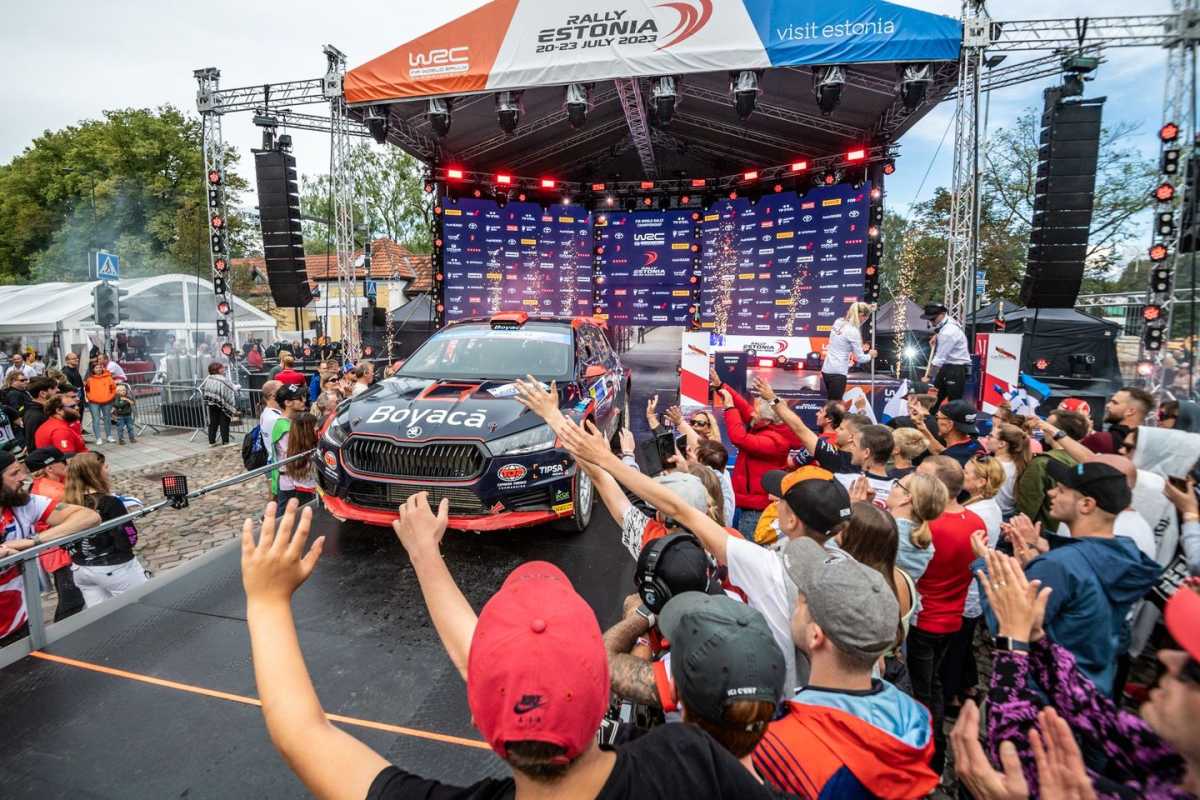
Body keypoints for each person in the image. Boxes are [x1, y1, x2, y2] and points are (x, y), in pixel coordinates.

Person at [242, 498, 787, 800]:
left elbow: (303, 734)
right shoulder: (686, 763)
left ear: (478, 717)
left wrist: (267, 601)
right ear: (606, 693)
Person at [956, 553, 1200, 800]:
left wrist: (1011, 642)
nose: (1168, 657)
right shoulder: (1175, 761)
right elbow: (1091, 709)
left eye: (1193, 668)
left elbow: (1015, 760)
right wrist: (1035, 640)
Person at [752, 537, 938, 798]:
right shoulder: (915, 717)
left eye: (802, 600)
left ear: (816, 635)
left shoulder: (780, 744)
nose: (795, 605)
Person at [994, 462, 1161, 699]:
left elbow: (1011, 627)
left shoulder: (1058, 566)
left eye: (1061, 490)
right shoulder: (1125, 549)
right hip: (1087, 684)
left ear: (1086, 505)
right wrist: (1041, 548)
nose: (1051, 492)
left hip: (1041, 692)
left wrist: (990, 565)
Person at [909, 453, 985, 774]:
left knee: (920, 693)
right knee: (935, 686)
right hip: (952, 620)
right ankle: (936, 758)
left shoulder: (927, 527)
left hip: (923, 621)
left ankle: (926, 761)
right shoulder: (975, 522)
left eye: (922, 475)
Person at [0, 450, 100, 645]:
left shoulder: (24, 503)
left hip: (19, 622)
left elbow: (89, 517)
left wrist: (33, 541)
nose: (23, 478)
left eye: (20, 471)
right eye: (14, 474)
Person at [941, 454, 1005, 714]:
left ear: (981, 482)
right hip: (969, 588)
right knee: (963, 644)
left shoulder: (979, 513)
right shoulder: (983, 504)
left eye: (966, 472)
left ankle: (951, 698)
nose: (961, 474)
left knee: (954, 648)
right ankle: (968, 685)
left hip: (966, 591)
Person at [710, 371, 801, 537]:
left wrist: (729, 408)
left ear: (766, 418)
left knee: (752, 548)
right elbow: (744, 407)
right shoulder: (769, 427)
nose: (753, 412)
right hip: (754, 505)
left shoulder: (775, 442)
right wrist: (721, 386)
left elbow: (739, 438)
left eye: (757, 410)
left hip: (757, 510)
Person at [63, 452, 148, 607]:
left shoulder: (67, 503)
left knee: (102, 616)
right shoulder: (110, 502)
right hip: (115, 567)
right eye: (103, 466)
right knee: (143, 607)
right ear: (94, 473)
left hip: (82, 569)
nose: (107, 468)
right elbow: (128, 537)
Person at [24, 446, 85, 621]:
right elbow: (79, 515)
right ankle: (63, 632)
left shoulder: (45, 485)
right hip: (60, 552)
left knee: (71, 596)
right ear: (49, 468)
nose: (67, 464)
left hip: (56, 549)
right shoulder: (53, 492)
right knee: (72, 599)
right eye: (63, 462)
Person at [1015, 408, 1089, 530]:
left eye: (1046, 425)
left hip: (1040, 532)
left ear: (1054, 431)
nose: (1042, 429)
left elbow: (1026, 507)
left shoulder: (1041, 463)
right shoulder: (1087, 461)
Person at [821, 301, 876, 401]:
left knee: (832, 403)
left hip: (826, 370)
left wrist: (868, 308)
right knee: (834, 406)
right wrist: (870, 355)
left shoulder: (838, 322)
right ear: (861, 315)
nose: (865, 321)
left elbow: (841, 343)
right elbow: (860, 358)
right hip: (838, 373)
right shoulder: (853, 331)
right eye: (865, 318)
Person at [919, 303, 971, 411]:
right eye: (929, 319)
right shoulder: (948, 322)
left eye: (933, 319)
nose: (931, 322)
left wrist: (929, 377)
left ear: (942, 314)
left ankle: (952, 422)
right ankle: (929, 418)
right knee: (934, 400)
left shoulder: (948, 332)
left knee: (954, 404)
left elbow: (939, 359)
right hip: (947, 367)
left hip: (955, 369)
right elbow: (943, 329)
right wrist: (937, 336)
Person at [834, 423, 895, 505]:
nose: (850, 448)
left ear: (866, 452)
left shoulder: (843, 481)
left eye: (854, 444)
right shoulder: (899, 488)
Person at [911, 399, 983, 465]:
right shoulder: (976, 445)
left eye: (937, 417)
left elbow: (945, 454)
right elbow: (940, 451)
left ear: (949, 425)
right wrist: (920, 425)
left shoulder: (950, 461)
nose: (936, 421)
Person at [269, 384, 309, 500]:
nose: (304, 400)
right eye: (299, 398)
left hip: (296, 481)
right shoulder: (284, 427)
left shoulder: (291, 422)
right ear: (287, 403)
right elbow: (294, 456)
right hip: (290, 484)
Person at [983, 422, 1030, 518]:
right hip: (1010, 515)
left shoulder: (991, 465)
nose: (986, 438)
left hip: (991, 514)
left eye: (991, 436)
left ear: (1002, 444)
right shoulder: (1019, 464)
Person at [277, 413, 318, 509]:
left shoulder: (292, 450)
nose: (317, 428)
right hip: (310, 493)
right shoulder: (312, 452)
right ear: (308, 431)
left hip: (299, 490)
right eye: (315, 426)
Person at [199, 362, 239, 446]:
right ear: (217, 370)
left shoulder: (209, 378)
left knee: (213, 422)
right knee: (224, 422)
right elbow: (233, 388)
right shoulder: (223, 379)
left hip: (212, 402)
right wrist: (239, 386)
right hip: (222, 403)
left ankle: (212, 442)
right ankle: (225, 441)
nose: (223, 369)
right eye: (222, 368)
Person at [83, 361, 117, 444]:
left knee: (107, 418)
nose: (98, 369)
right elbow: (87, 390)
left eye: (100, 367)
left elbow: (113, 388)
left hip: (107, 401)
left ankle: (109, 436)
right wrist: (91, 398)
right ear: (93, 369)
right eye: (96, 368)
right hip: (94, 402)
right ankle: (98, 438)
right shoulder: (89, 379)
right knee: (96, 419)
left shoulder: (108, 377)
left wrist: (110, 397)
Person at [21, 376, 57, 450]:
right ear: (43, 393)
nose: (58, 390)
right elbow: (34, 444)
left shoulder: (40, 411)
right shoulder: (36, 415)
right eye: (54, 389)